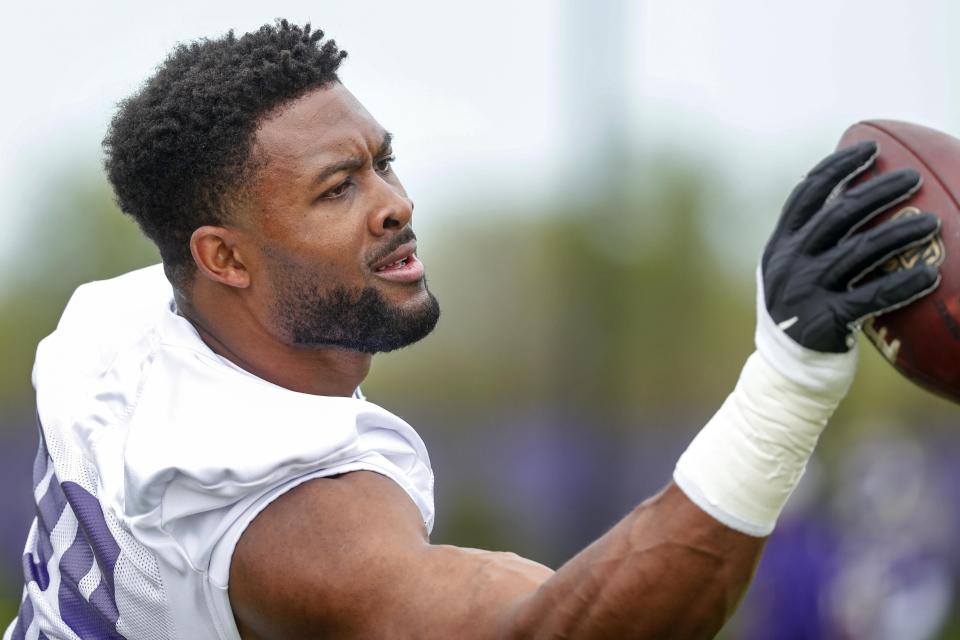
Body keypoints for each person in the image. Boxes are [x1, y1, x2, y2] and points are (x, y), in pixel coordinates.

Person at [4, 19, 942, 640]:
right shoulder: (291, 517)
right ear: (224, 258)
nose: (397, 206)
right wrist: (785, 382)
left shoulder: (112, 321)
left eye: (383, 165)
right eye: (339, 187)